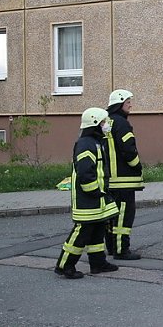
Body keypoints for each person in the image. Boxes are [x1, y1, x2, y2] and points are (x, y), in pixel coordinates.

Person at [55, 108, 120, 279]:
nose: (107, 125)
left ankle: (98, 263)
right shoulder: (86, 143)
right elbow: (85, 172)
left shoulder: (96, 141)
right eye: (104, 122)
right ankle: (65, 265)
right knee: (82, 232)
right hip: (88, 198)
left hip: (96, 197)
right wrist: (94, 192)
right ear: (95, 124)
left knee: (97, 230)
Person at [105, 89, 145, 260]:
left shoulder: (106, 122)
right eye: (128, 102)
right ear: (119, 104)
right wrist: (138, 167)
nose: (131, 105)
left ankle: (112, 247)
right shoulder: (122, 123)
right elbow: (129, 150)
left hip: (108, 179)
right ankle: (122, 250)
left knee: (111, 216)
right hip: (123, 180)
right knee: (124, 216)